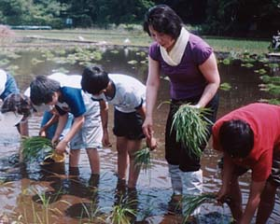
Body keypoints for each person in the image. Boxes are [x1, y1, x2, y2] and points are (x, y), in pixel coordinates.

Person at [142, 4, 220, 215]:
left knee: (189, 155)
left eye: (160, 34)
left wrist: (198, 108)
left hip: (202, 104)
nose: (157, 39)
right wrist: (148, 116)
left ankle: (192, 210)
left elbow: (214, 82)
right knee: (172, 153)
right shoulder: (155, 50)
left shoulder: (197, 48)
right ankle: (177, 196)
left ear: (173, 28)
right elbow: (152, 83)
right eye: (153, 35)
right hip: (178, 103)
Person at [81, 65, 156, 189]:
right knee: (121, 148)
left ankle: (132, 187)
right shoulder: (97, 87)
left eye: (95, 92)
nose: (94, 95)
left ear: (103, 89)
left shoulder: (127, 91)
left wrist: (150, 137)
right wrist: (104, 131)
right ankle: (121, 181)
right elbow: (103, 108)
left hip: (138, 110)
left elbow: (144, 115)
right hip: (121, 109)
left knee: (133, 153)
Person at [212, 103, 280, 224]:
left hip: (276, 136)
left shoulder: (262, 151)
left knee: (269, 188)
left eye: (242, 158)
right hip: (261, 119)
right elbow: (228, 154)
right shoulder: (219, 130)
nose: (240, 162)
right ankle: (238, 219)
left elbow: (255, 195)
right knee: (230, 180)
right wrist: (224, 186)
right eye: (235, 157)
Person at [29, 74, 107, 175]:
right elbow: (63, 116)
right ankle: (73, 175)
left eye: (47, 101)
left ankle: (95, 177)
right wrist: (57, 136)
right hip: (77, 114)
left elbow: (80, 120)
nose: (48, 105)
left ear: (53, 94)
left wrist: (64, 141)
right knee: (74, 145)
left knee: (90, 146)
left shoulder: (70, 93)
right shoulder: (56, 100)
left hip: (91, 113)